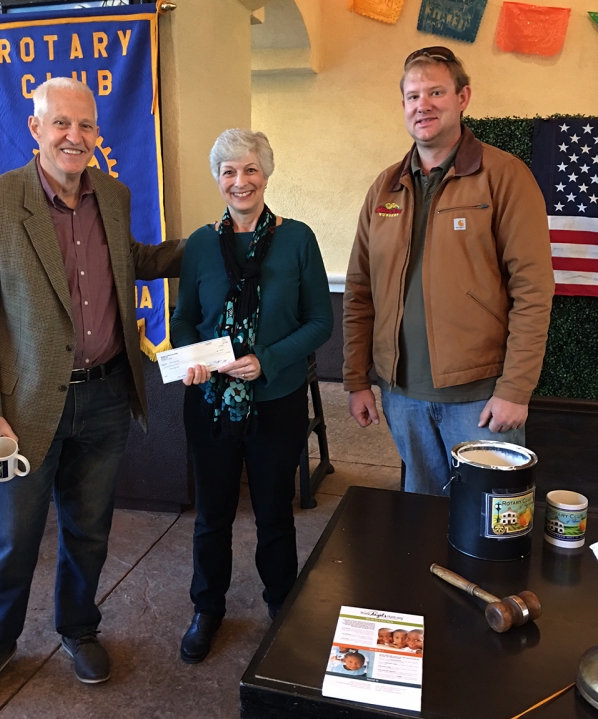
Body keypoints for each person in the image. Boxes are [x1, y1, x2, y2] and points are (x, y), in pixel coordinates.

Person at [0, 77, 185, 712]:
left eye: (85, 127)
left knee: (89, 530)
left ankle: (79, 630)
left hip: (108, 396)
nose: (73, 137)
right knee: (15, 539)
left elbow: (129, 258)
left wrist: (205, 249)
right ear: (35, 130)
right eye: (60, 124)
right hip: (24, 409)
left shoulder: (112, 194)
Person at [343, 46, 555, 495]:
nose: (423, 104)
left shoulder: (505, 176)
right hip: (402, 395)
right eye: (413, 95)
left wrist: (516, 389)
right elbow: (360, 290)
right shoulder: (385, 187)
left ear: (463, 98)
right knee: (422, 513)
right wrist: (357, 380)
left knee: (489, 520)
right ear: (402, 106)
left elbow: (533, 290)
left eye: (436, 92)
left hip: (479, 398)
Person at [171, 128, 333, 664]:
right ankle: (207, 608)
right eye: (228, 171)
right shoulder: (199, 243)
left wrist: (267, 359)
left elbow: (319, 321)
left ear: (266, 173)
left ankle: (281, 603)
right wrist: (193, 356)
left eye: (249, 170)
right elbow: (185, 319)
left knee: (273, 514)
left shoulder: (297, 238)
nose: (239, 181)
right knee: (212, 515)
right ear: (218, 179)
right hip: (211, 405)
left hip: (276, 400)